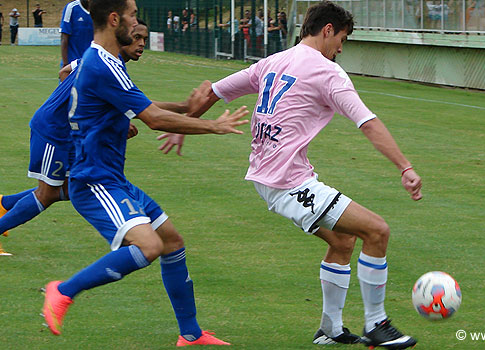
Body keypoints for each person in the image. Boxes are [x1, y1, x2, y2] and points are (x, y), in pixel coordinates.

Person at [160, 2, 421, 349]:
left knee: (342, 241)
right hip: (288, 182)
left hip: (269, 177)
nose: (341, 48)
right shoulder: (328, 72)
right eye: (342, 39)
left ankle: (330, 328)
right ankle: (377, 324)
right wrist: (405, 166)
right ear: (327, 30)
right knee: (376, 230)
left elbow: (214, 91)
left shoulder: (274, 60)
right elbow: (368, 123)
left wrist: (185, 125)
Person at [41, 0, 249, 346]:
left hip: (111, 178)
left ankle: (191, 334)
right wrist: (213, 125)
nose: (137, 22)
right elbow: (152, 119)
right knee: (150, 246)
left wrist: (185, 108)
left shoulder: (108, 61)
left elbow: (140, 108)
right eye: (133, 15)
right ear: (114, 19)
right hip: (93, 180)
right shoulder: (100, 65)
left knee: (172, 242)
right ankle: (62, 291)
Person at [0, 19, 200, 257]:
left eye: (144, 39)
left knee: (68, 188)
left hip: (68, 132)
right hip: (55, 131)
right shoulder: (107, 64)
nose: (141, 44)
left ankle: (4, 203)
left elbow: (65, 72)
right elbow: (147, 112)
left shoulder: (101, 57)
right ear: (121, 35)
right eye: (136, 38)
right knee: (47, 194)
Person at [60, 0, 93, 66]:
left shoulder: (100, 9)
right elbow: (64, 37)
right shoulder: (71, 8)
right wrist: (65, 64)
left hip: (92, 63)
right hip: (73, 63)